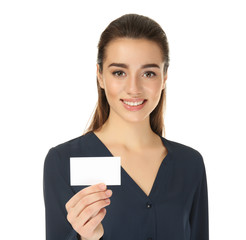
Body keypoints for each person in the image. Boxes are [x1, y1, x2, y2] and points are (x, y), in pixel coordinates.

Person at [43, 13, 209, 240]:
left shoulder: (190, 164)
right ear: (100, 76)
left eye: (148, 73)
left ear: (165, 78)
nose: (134, 88)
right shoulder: (63, 162)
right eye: (119, 72)